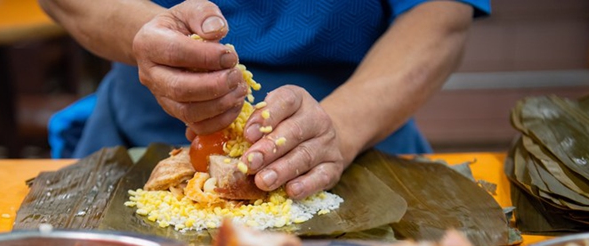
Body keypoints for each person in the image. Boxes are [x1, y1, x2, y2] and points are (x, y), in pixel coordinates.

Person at [39, 0, 490, 199]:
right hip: (142, 131)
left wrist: (339, 128)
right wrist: (151, 34)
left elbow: (440, 15)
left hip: (362, 134)